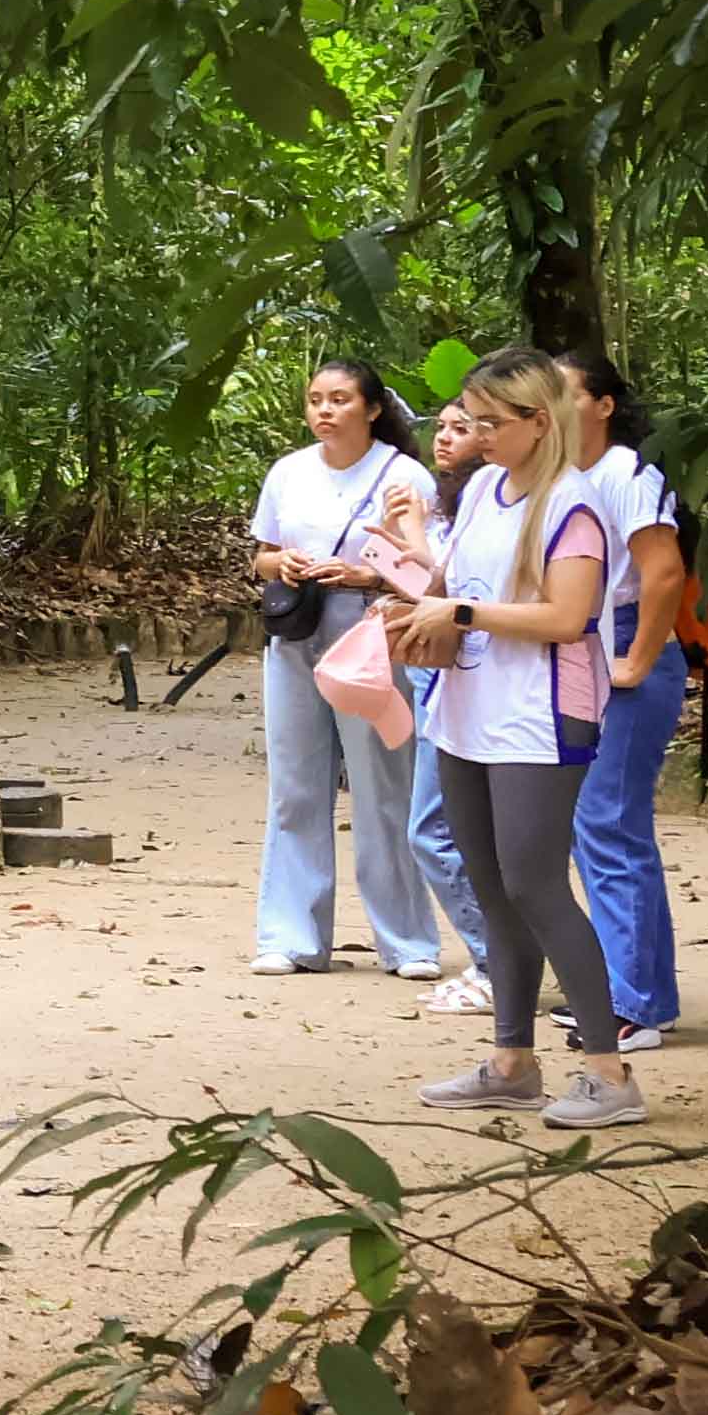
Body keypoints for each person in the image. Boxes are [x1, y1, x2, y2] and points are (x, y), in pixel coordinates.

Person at [395, 350, 641, 1129]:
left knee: (537, 885)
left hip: (539, 719)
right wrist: (416, 609)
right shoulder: (480, 493)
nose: (476, 435)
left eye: (491, 423)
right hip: (469, 708)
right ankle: (512, 1060)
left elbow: (568, 617)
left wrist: (460, 617)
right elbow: (457, 583)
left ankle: (608, 1071)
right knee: (492, 886)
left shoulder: (573, 506)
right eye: (470, 420)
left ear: (540, 424)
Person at [246, 369, 443, 976]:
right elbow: (261, 558)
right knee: (296, 787)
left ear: (373, 408)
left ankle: (407, 942)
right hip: (298, 640)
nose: (324, 411)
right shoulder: (289, 472)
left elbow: (429, 573)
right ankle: (291, 937)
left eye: (339, 400)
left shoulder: (404, 475)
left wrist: (366, 575)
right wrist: (289, 563)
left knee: (383, 787)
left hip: (372, 638)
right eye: (314, 401)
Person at [560, 348, 696, 1053]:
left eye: (566, 393)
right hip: (578, 641)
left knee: (611, 823)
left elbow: (662, 570)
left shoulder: (626, 474)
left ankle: (637, 1005)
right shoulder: (560, 477)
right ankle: (618, 985)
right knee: (590, 826)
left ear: (605, 405)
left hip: (623, 638)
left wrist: (636, 660)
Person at [390, 388, 501, 1018]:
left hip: (482, 686)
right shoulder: (454, 506)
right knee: (448, 832)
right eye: (446, 427)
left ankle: (494, 963)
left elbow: (450, 586)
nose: (448, 437)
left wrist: (409, 532)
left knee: (434, 832)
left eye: (467, 427)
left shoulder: (494, 507)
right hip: (444, 685)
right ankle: (497, 962)